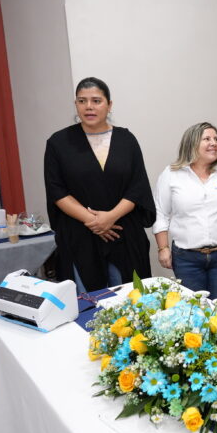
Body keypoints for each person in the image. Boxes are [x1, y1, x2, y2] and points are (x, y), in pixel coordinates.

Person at [44, 77, 156, 293]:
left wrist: (110, 217)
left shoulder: (127, 140)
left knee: (130, 302)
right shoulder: (59, 142)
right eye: (82, 101)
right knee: (89, 304)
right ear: (76, 104)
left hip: (123, 232)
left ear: (109, 104)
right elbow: (57, 190)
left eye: (96, 101)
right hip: (80, 235)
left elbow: (137, 186)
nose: (89, 107)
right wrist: (93, 221)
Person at [152, 122, 217, 299]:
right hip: (186, 258)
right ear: (191, 143)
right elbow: (161, 213)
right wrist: (163, 248)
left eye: (216, 139)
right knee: (193, 308)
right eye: (207, 139)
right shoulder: (171, 174)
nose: (214, 143)